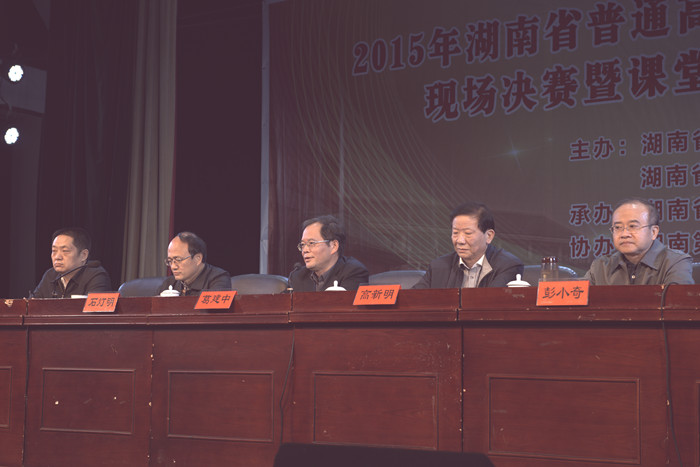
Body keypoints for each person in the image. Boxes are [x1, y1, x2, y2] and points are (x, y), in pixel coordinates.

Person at [413, 202, 523, 289]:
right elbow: (413, 300)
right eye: (455, 233)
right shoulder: (438, 267)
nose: (460, 240)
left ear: (489, 236)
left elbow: (491, 304)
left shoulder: (507, 266)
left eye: (468, 233)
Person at [584, 198, 694, 285]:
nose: (624, 234)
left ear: (653, 232)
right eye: (617, 227)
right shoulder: (600, 267)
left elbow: (678, 303)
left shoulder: (675, 262)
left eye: (633, 226)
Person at [288, 215, 369, 291]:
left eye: (311, 243)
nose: (305, 250)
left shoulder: (353, 272)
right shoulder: (298, 277)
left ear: (334, 246)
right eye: (302, 244)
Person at [32, 227, 112, 298]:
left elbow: (95, 309)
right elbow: (32, 305)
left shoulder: (96, 276)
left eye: (65, 251)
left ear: (83, 255)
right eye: (54, 251)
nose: (57, 257)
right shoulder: (50, 275)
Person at [157, 232, 232, 296]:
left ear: (198, 259)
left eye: (178, 260)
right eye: (170, 261)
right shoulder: (169, 283)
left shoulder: (218, 279)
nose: (173, 267)